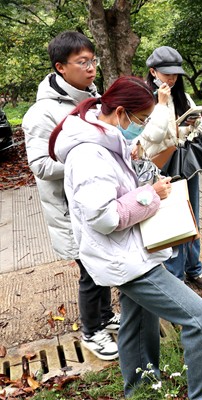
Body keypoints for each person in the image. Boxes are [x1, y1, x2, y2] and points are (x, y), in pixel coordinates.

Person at [48, 76, 202, 399]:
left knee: (138, 321)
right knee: (200, 320)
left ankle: (141, 388)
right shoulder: (89, 155)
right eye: (141, 120)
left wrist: (147, 179)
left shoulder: (106, 137)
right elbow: (105, 216)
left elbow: (120, 189)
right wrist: (151, 195)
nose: (141, 126)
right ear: (120, 113)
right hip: (123, 257)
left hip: (130, 248)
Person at [22, 31, 119, 361]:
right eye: (83, 62)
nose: (92, 68)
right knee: (90, 271)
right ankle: (92, 331)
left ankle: (104, 318)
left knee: (101, 262)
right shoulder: (42, 114)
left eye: (93, 61)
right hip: (70, 209)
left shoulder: (93, 98)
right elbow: (40, 165)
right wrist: (88, 157)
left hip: (97, 198)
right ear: (61, 67)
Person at [137, 46, 202, 290]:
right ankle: (175, 275)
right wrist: (165, 114)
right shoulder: (144, 98)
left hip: (185, 164)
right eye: (166, 73)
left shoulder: (183, 96)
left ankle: (195, 268)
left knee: (191, 217)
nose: (171, 78)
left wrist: (189, 125)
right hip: (159, 167)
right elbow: (146, 138)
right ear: (153, 71)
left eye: (175, 73)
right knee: (172, 221)